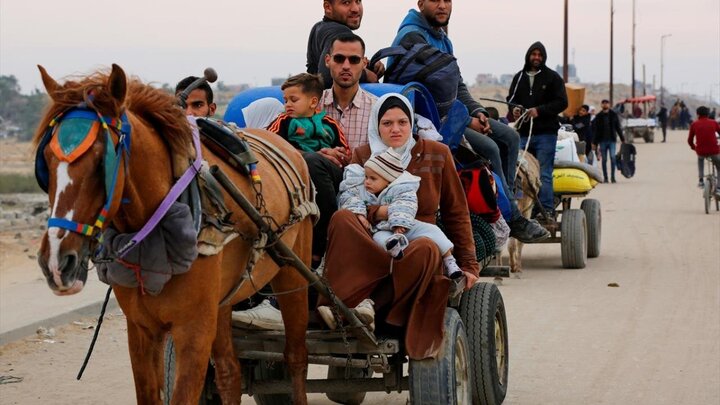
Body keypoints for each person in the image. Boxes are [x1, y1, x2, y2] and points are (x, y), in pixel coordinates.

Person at [320, 93, 478, 359]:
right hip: (371, 239)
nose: (395, 129)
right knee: (341, 218)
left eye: (402, 122)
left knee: (427, 247)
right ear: (376, 126)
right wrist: (380, 211)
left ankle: (372, 309)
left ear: (411, 125)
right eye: (387, 123)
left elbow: (456, 212)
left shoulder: (436, 154)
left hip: (414, 244)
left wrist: (469, 265)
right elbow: (352, 199)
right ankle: (345, 305)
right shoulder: (363, 155)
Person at [391, 0, 549, 242]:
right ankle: (511, 217)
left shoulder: (442, 38)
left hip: (454, 113)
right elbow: (433, 92)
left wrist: (477, 111)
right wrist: (465, 119)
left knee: (510, 136)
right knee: (491, 148)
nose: (442, 6)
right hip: (429, 119)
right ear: (421, 4)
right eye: (435, 1)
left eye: (447, 1)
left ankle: (507, 199)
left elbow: (457, 84)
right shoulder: (412, 36)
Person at [334, 148, 466, 300]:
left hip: (406, 225)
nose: (367, 182)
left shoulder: (401, 189)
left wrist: (398, 226)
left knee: (432, 231)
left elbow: (405, 206)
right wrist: (360, 214)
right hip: (381, 228)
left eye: (373, 178)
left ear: (388, 180)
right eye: (366, 177)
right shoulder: (363, 189)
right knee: (379, 240)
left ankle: (449, 260)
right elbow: (351, 199)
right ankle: (396, 249)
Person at [507, 41, 569, 218]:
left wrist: (539, 111)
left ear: (544, 57)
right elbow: (511, 99)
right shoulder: (519, 77)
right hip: (524, 133)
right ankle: (518, 209)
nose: (536, 58)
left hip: (546, 134)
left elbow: (562, 102)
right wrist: (515, 109)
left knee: (544, 173)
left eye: (539, 55)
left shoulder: (553, 77)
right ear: (528, 56)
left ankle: (545, 210)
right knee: (519, 173)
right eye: (533, 54)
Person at [319, 33, 378, 152]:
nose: (346, 66)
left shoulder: (377, 109)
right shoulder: (312, 104)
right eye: (339, 59)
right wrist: (318, 155)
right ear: (327, 60)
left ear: (364, 64)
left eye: (354, 60)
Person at [306, 0, 384, 89]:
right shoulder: (340, 33)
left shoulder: (319, 28)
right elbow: (326, 76)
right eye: (346, 3)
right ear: (328, 7)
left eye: (358, 1)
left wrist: (367, 65)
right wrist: (367, 75)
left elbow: (312, 73)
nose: (355, 9)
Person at [267, 73, 345, 153]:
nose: (288, 105)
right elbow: (268, 142)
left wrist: (337, 154)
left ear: (313, 102)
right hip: (297, 162)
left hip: (327, 163)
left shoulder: (330, 123)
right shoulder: (283, 121)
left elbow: (344, 152)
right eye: (286, 101)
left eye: (294, 100)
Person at [592, 99, 626, 183]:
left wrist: (622, 139)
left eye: (606, 103)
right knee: (604, 160)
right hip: (602, 141)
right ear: (601, 105)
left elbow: (618, 127)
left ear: (609, 105)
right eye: (603, 103)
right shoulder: (598, 116)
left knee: (613, 158)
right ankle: (606, 178)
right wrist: (594, 142)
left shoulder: (613, 115)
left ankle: (613, 177)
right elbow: (596, 130)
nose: (605, 105)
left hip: (612, 141)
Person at [687, 106, 720, 188]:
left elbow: (689, 140)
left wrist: (694, 147)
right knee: (719, 166)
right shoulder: (714, 123)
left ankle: (701, 180)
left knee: (700, 159)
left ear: (698, 114)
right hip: (714, 151)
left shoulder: (694, 124)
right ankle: (719, 187)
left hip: (701, 151)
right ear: (708, 114)